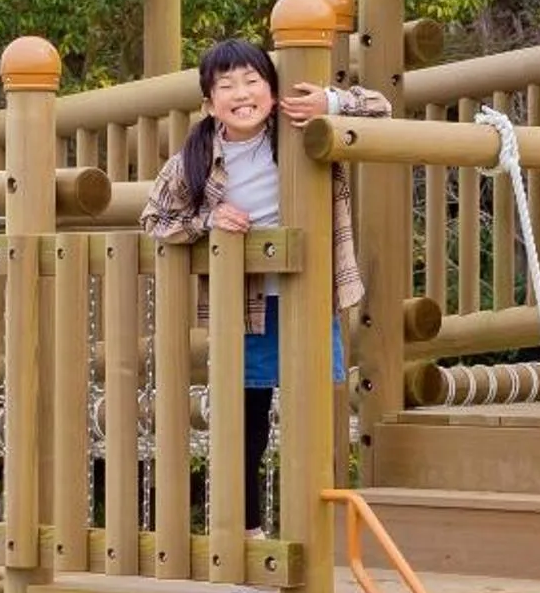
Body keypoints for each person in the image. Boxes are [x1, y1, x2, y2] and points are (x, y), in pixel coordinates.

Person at [139, 37, 390, 529]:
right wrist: (208, 219)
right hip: (245, 307)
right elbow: (155, 217)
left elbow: (381, 112)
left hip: (310, 296)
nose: (242, 92)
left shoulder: (302, 131)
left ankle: (311, 538)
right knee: (244, 429)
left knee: (311, 425)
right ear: (210, 103)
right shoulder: (197, 154)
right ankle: (248, 536)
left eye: (253, 81)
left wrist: (330, 101)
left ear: (273, 92)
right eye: (226, 85)